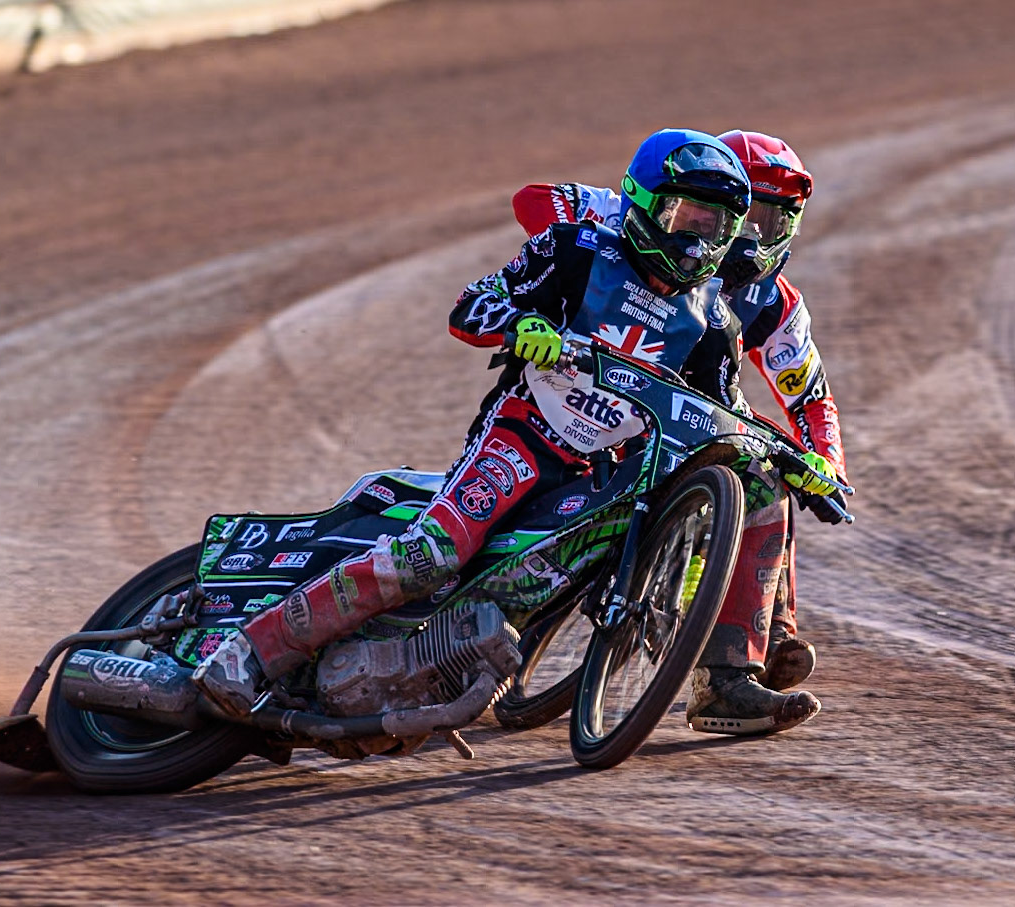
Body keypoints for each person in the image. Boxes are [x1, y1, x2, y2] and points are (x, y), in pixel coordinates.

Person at [194, 129, 837, 735]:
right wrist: (521, 324)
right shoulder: (576, 247)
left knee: (745, 477)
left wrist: (807, 461)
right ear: (643, 205)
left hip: (611, 465)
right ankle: (249, 650)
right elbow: (474, 301)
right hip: (524, 437)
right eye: (688, 218)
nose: (709, 239)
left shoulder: (723, 319)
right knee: (430, 556)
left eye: (726, 223)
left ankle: (736, 654)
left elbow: (727, 414)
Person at [509, 130, 847, 726]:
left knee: (776, 460)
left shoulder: (776, 302)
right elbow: (531, 201)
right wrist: (605, 223)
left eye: (771, 222)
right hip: (576, 398)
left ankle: (735, 669)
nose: (748, 238)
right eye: (739, 216)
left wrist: (829, 470)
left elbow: (812, 397)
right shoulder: (641, 217)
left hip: (691, 416)